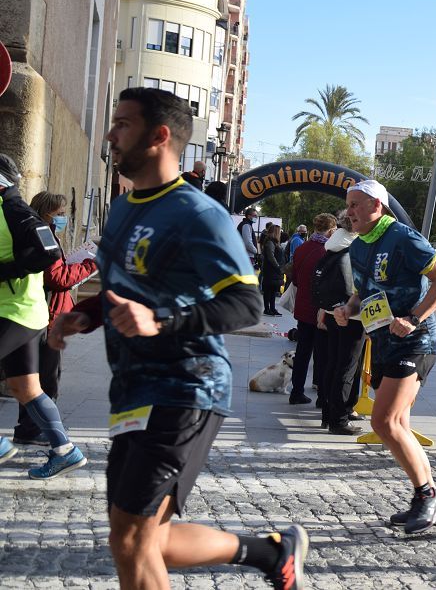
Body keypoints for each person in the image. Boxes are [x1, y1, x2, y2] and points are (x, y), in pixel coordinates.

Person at [48, 87, 306, 589]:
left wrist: (160, 321)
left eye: (123, 124)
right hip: (131, 391)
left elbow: (246, 304)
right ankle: (272, 554)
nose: (110, 134)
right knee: (135, 537)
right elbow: (127, 289)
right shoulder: (123, 209)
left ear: (160, 136)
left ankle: (273, 554)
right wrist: (84, 314)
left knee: (137, 543)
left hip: (187, 387)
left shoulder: (198, 213)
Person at [334, 179, 436, 534]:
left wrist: (415, 317)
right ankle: (433, 501)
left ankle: (427, 495)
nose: (350, 211)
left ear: (378, 207)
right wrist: (346, 308)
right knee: (397, 424)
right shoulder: (357, 247)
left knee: (384, 421)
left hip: (416, 342)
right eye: (348, 204)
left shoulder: (403, 237)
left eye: (357, 204)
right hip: (384, 341)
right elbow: (362, 295)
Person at [0, 155, 84, 478]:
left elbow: (48, 254)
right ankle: (64, 451)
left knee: (31, 386)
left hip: (16, 311)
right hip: (23, 312)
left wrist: (9, 271)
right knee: (27, 388)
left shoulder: (16, 210)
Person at [11, 192, 98, 446]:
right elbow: (58, 278)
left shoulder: (43, 232)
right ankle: (35, 429)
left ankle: (29, 428)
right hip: (48, 315)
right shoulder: (42, 234)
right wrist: (91, 265)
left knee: (35, 375)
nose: (64, 218)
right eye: (60, 213)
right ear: (47, 212)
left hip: (48, 312)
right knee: (45, 378)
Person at [317, 215, 364, 435]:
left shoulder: (333, 245)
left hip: (331, 312)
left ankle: (327, 414)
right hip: (352, 316)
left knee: (333, 363)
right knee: (347, 368)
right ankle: (339, 419)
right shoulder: (355, 247)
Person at [290, 213, 336, 405]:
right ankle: (321, 394)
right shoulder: (329, 251)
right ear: (331, 230)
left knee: (302, 351)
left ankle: (296, 391)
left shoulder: (302, 248)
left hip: (302, 307)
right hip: (320, 311)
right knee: (322, 354)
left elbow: (294, 279)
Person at [261, 224, 284, 316]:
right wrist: (278, 266)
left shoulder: (273, 242)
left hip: (273, 270)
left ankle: (272, 308)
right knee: (268, 290)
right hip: (271, 269)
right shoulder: (270, 242)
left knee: (273, 290)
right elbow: (271, 256)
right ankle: (267, 308)